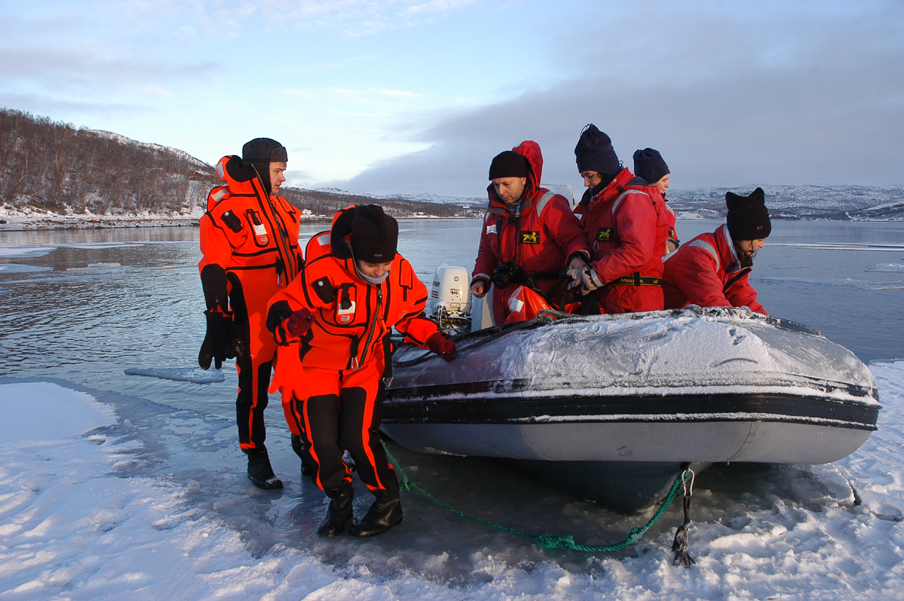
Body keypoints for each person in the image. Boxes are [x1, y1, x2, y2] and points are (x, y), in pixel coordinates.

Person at [266, 204, 456, 538]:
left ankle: (388, 503)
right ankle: (339, 499)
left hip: (363, 366)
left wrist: (434, 338)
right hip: (318, 365)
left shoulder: (399, 272)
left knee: (359, 437)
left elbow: (408, 316)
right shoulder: (324, 273)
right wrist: (289, 324)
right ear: (352, 250)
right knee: (321, 443)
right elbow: (281, 308)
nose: (380, 271)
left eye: (386, 263)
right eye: (372, 264)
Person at [197, 138, 303, 490]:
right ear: (259, 170)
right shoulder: (226, 213)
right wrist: (217, 319)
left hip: (290, 320)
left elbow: (297, 264)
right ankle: (255, 454)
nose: (283, 179)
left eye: (283, 171)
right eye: (278, 171)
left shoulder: (283, 210)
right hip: (252, 323)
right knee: (253, 393)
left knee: (300, 388)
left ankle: (306, 446)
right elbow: (213, 267)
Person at [470, 141, 590, 324]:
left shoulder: (549, 205)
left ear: (523, 179)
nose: (501, 191)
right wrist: (481, 277)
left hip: (546, 299)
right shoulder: (493, 215)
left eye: (506, 184)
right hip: (505, 300)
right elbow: (486, 252)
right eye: (495, 185)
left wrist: (577, 257)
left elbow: (573, 238)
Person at [571, 125, 667, 313]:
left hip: (635, 301)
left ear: (604, 170)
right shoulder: (602, 201)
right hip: (615, 297)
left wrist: (593, 276)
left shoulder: (632, 198)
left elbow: (637, 250)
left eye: (589, 176)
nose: (585, 183)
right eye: (583, 176)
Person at [662, 187, 771, 314]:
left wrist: (765, 324)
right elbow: (713, 303)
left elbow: (742, 296)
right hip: (667, 322)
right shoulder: (698, 256)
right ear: (743, 235)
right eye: (759, 239)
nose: (762, 245)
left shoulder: (733, 259)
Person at [633, 148, 679, 254]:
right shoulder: (634, 208)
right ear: (650, 181)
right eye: (664, 180)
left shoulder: (668, 212)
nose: (668, 185)